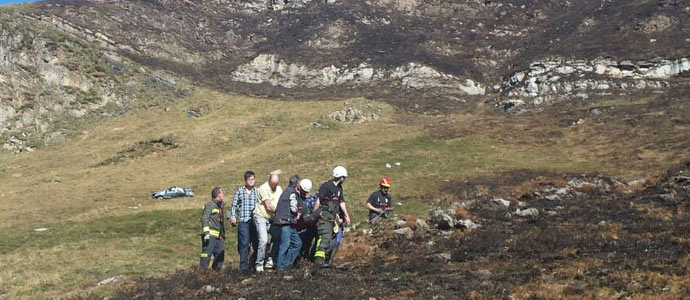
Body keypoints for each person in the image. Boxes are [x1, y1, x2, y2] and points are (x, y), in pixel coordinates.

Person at [313, 166, 351, 268]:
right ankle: (319, 259)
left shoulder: (339, 189)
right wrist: (314, 214)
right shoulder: (326, 186)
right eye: (344, 177)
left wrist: (346, 216)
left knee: (332, 240)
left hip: (334, 218)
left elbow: (341, 202)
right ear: (340, 177)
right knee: (325, 236)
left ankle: (325, 260)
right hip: (324, 216)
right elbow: (318, 200)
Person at [274, 178, 312, 270]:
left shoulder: (288, 192)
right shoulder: (292, 193)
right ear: (298, 185)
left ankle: (286, 265)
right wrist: (298, 214)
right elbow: (293, 208)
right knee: (285, 245)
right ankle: (280, 266)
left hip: (288, 222)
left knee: (297, 243)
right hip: (285, 222)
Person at [227, 171, 259, 272]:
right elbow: (234, 205)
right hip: (243, 221)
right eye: (249, 179)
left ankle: (254, 264)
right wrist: (233, 216)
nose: (252, 181)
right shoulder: (240, 191)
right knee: (244, 243)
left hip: (254, 221)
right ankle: (243, 266)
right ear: (245, 181)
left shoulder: (257, 191)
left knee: (256, 242)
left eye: (253, 179)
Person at [253, 170, 283, 272]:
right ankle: (259, 263)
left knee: (277, 237)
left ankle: (270, 258)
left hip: (273, 218)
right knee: (263, 240)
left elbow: (280, 202)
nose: (274, 186)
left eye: (276, 184)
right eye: (273, 184)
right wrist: (279, 211)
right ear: (269, 181)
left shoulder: (279, 189)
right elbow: (268, 206)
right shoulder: (263, 188)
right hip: (261, 216)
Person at [199, 187, 226, 271]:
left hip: (218, 236)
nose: (223, 194)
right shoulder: (210, 205)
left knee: (220, 255)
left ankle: (215, 273)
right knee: (206, 255)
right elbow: (205, 218)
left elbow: (220, 222)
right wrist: (206, 232)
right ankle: (202, 273)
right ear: (218, 195)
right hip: (210, 235)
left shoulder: (219, 206)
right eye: (222, 193)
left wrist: (222, 235)